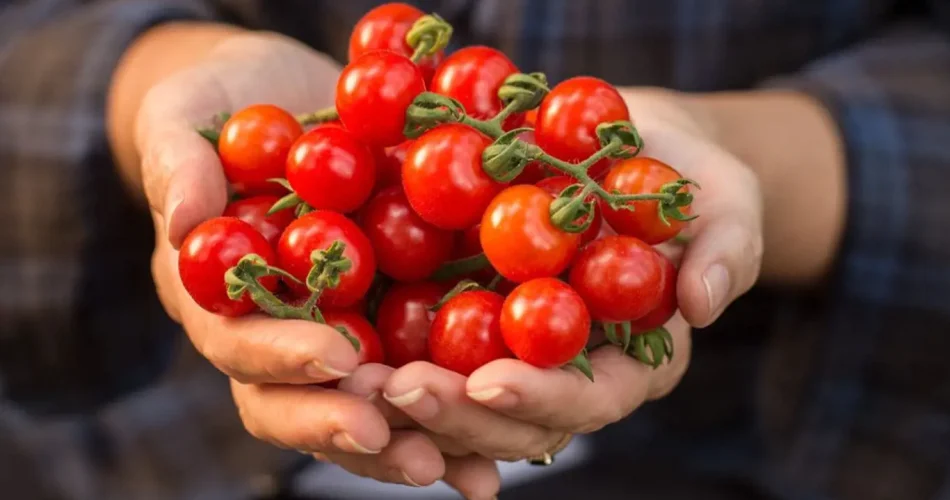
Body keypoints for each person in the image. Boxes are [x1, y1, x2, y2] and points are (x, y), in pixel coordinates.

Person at [1, 0, 949, 499]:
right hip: (140, 457)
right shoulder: (446, 153)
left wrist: (753, 162)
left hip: (732, 453)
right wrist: (151, 90)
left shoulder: (557, 207)